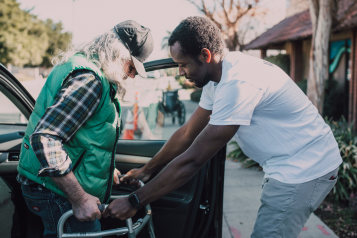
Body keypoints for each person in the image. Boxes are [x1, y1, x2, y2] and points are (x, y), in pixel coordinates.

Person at [103, 16, 342, 238]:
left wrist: (135, 201)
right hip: (287, 165)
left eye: (183, 64)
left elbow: (194, 159)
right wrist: (147, 170)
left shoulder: (238, 82)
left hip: (305, 168)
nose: (181, 72)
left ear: (205, 55)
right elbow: (187, 133)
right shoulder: (217, 79)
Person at [16, 20, 153, 237]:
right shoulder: (90, 80)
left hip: (49, 184)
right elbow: (45, 139)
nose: (133, 74)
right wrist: (79, 199)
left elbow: (82, 136)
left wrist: (106, 170)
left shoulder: (85, 68)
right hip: (55, 191)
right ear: (119, 54)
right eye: (132, 66)